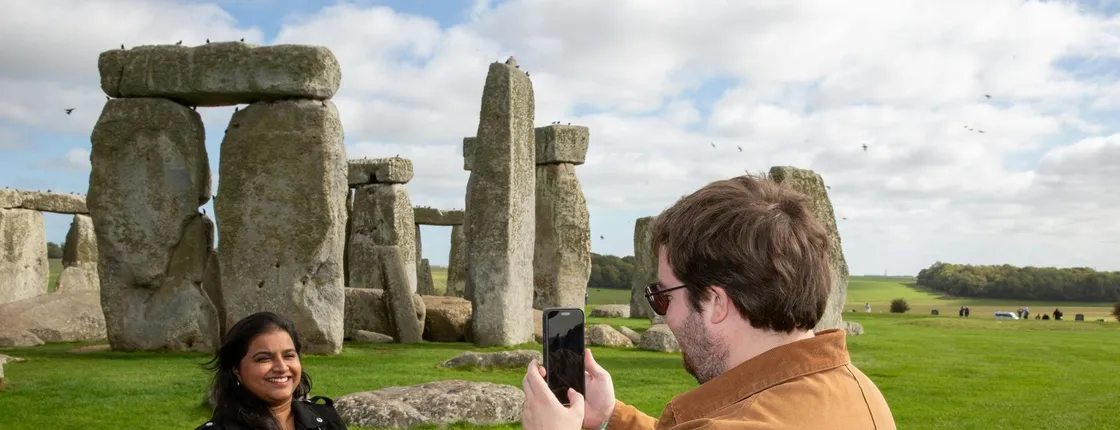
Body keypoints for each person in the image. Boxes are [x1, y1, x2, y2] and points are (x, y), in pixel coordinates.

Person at [520, 175, 896, 429]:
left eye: (663, 297)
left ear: (716, 302)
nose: (664, 316)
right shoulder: (857, 390)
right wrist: (608, 416)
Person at [197, 311, 346, 430]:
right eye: (264, 358)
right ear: (236, 369)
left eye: (289, 356)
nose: (282, 368)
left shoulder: (327, 419)